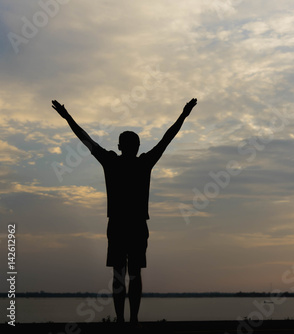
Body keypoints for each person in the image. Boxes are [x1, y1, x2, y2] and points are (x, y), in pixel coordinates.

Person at [52, 98, 197, 323]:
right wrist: (184, 114)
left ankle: (122, 320)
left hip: (120, 224)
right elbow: (167, 138)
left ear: (121, 147)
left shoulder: (113, 162)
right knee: (134, 274)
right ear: (136, 147)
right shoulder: (142, 162)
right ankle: (132, 319)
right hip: (135, 224)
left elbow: (86, 139)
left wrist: (67, 117)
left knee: (120, 274)